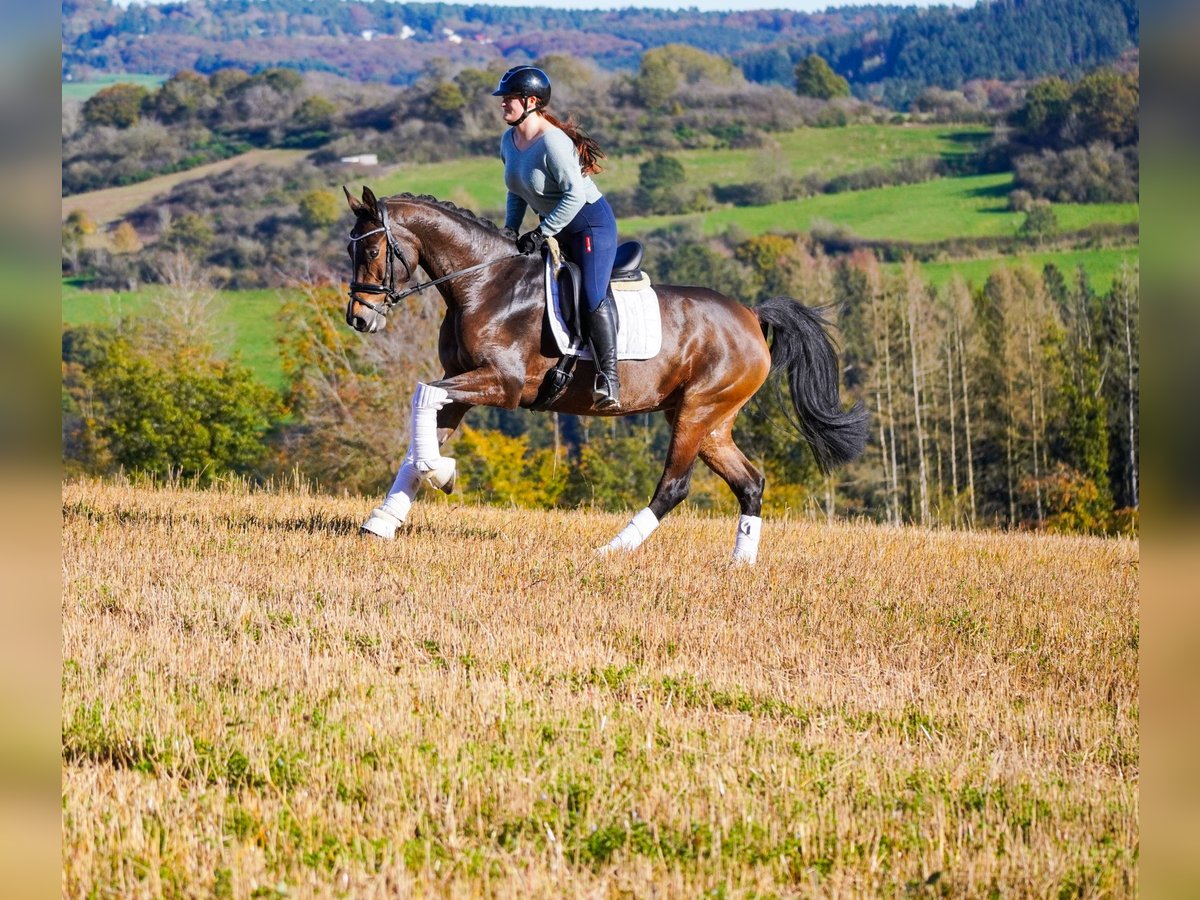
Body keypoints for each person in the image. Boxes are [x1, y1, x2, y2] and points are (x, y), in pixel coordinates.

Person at [493, 65, 621, 410]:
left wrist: (542, 231)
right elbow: (517, 189)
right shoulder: (510, 140)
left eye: (509, 100)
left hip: (589, 226)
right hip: (554, 227)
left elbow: (574, 196)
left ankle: (610, 377)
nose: (503, 105)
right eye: (503, 100)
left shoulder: (552, 142)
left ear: (531, 101)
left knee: (592, 294)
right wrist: (510, 228)